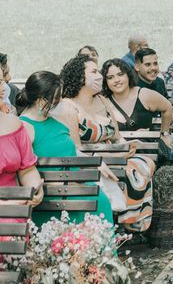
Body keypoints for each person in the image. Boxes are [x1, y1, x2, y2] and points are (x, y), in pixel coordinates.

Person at [58, 55, 155, 233]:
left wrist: (126, 145)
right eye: (94, 72)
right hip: (92, 161)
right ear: (80, 76)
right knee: (128, 171)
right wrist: (111, 155)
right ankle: (126, 222)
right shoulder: (68, 107)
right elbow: (75, 148)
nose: (100, 76)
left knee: (145, 163)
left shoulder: (102, 100)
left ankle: (135, 222)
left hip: (117, 154)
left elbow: (117, 136)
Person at [17, 71, 113, 226]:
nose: (59, 101)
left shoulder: (54, 121)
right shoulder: (25, 126)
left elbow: (71, 150)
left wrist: (95, 162)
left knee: (100, 197)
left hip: (75, 182)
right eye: (56, 98)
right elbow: (23, 167)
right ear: (41, 100)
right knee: (98, 198)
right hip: (53, 189)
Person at [103, 58, 173, 172]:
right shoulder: (103, 103)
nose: (116, 80)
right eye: (110, 78)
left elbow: (167, 108)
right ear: (105, 81)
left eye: (120, 75)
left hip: (149, 146)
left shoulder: (144, 94)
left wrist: (165, 133)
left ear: (128, 75)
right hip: (124, 152)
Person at [0, 110, 44, 284]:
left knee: (10, 226)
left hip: (15, 210)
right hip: (9, 206)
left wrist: (35, 189)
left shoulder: (13, 124)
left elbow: (27, 170)